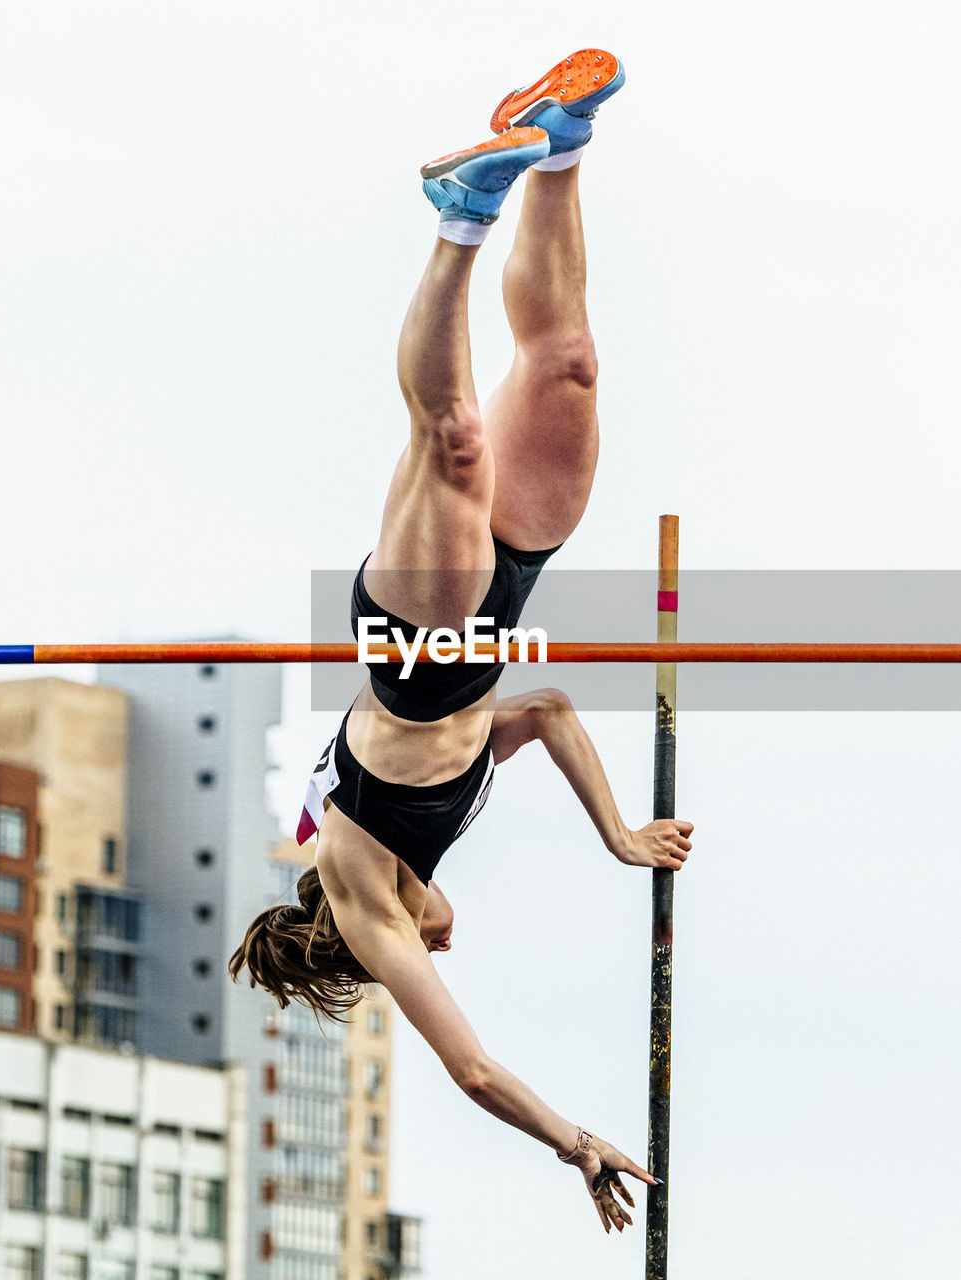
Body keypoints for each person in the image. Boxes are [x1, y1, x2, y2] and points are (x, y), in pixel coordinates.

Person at [230, 49, 693, 1234]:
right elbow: (535, 709)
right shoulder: (447, 820)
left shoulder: (362, 889)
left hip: (416, 644)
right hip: (497, 618)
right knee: (569, 366)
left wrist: (572, 1139)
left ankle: (458, 220)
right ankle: (560, 143)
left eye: (438, 949)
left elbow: (473, 1071)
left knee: (451, 439)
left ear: (360, 945)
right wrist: (617, 835)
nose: (451, 936)